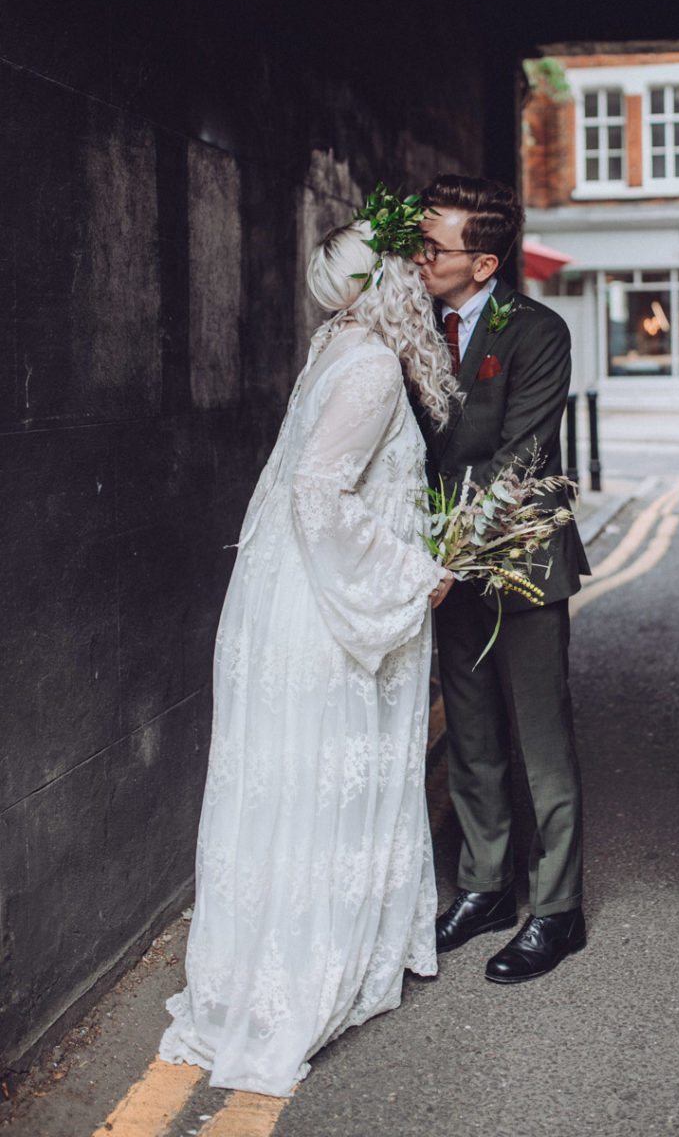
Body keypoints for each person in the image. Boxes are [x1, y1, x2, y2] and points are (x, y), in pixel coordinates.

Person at [160, 212, 456, 1096]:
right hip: (325, 605)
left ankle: (273, 960)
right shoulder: (367, 365)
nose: (417, 278)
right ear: (382, 283)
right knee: (327, 778)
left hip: (292, 593)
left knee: (292, 784)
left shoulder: (338, 346)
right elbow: (317, 492)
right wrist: (413, 568)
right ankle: (298, 972)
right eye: (405, 267)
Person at [413, 174, 589, 984]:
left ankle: (555, 910)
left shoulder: (538, 330)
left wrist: (454, 547)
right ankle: (485, 886)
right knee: (474, 738)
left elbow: (522, 455)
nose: (418, 258)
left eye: (433, 247)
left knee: (541, 745)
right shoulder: (410, 324)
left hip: (516, 558)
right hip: (441, 570)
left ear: (482, 265)